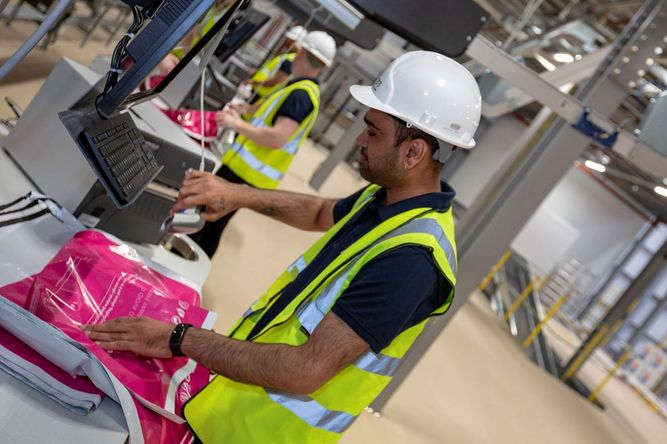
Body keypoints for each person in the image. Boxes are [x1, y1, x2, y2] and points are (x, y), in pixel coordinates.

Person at [85, 51, 482, 443]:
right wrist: (240, 195)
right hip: (227, 411)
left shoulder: (413, 260)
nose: (359, 139)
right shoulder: (386, 200)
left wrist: (178, 338)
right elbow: (322, 211)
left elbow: (304, 370)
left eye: (373, 131)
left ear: (413, 152)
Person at [190, 30, 337, 257]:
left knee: (208, 221)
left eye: (300, 51)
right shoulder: (297, 87)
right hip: (243, 169)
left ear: (304, 54)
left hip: (247, 173)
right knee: (207, 220)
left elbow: (277, 137)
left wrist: (235, 124)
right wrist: (244, 111)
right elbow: (263, 114)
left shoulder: (301, 95)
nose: (295, 54)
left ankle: (186, 271)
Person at [244, 25, 308, 102]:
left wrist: (254, 82)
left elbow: (276, 81)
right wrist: (257, 73)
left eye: (290, 40)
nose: (287, 41)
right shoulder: (287, 55)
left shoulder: (290, 60)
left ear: (297, 43)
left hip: (261, 96)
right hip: (257, 91)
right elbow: (271, 72)